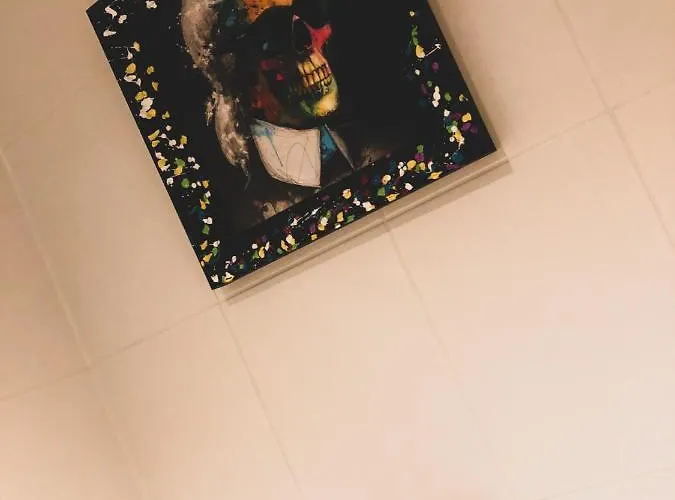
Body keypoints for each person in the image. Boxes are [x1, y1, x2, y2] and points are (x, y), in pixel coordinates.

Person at [181, 0, 409, 229]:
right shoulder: (260, 216)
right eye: (275, 32)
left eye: (311, 10)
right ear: (240, 77)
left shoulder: (380, 142)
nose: (307, 40)